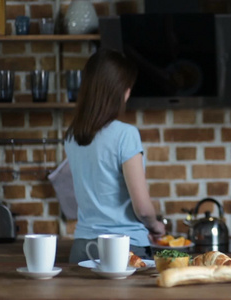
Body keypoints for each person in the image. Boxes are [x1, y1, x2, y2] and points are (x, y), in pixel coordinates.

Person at [65, 48, 166, 263]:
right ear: (124, 91)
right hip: (125, 248)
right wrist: (156, 226)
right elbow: (143, 208)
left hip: (83, 247)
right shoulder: (126, 135)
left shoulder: (72, 135)